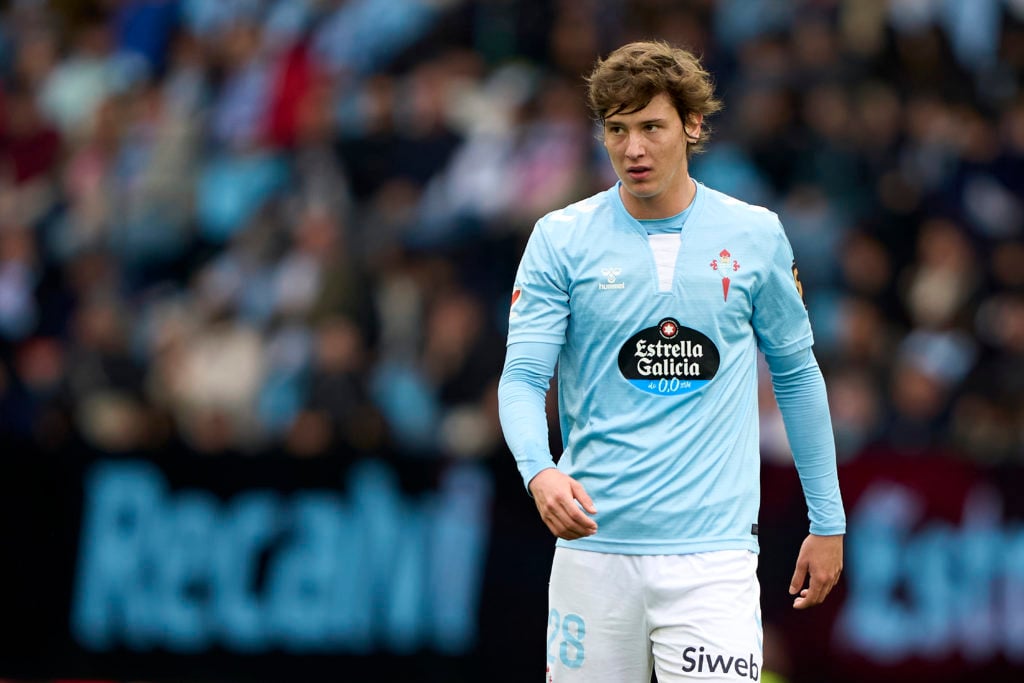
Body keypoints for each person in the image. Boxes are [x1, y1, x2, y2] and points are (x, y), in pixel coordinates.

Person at [497, 40, 845, 682]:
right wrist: (539, 473)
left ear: (692, 124)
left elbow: (797, 376)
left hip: (713, 560)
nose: (633, 149)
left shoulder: (755, 235)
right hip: (593, 552)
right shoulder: (560, 239)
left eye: (651, 127)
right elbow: (522, 378)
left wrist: (828, 521)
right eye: (617, 129)